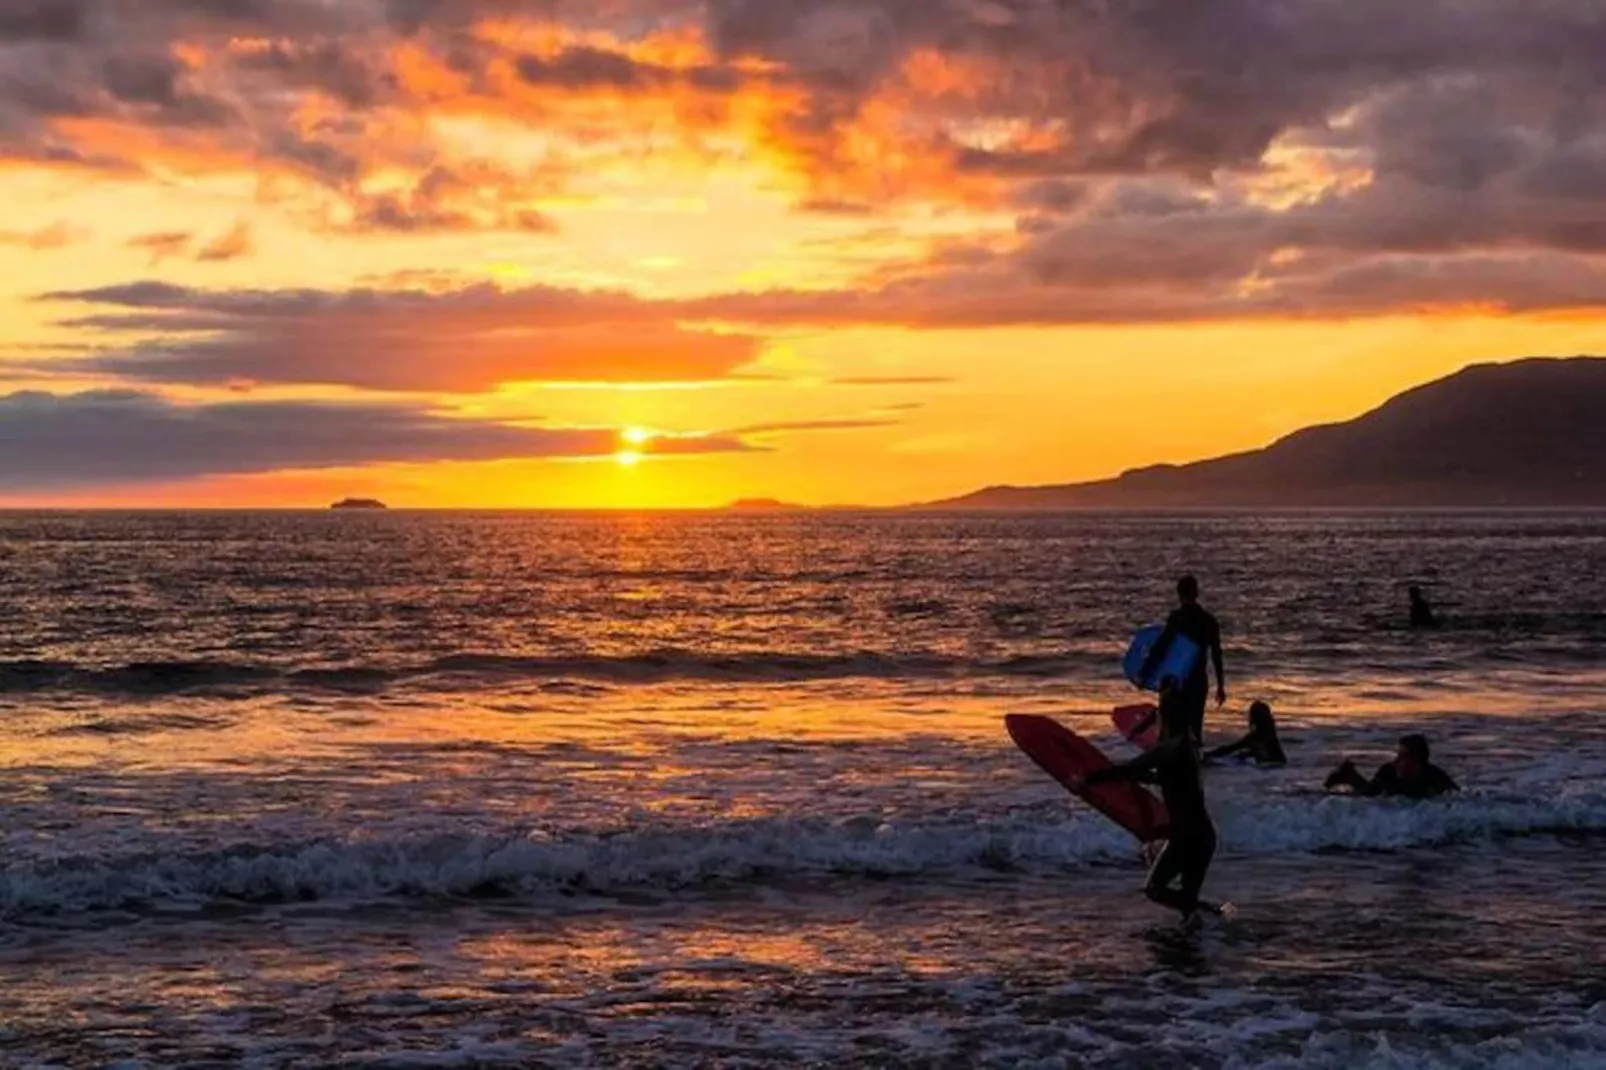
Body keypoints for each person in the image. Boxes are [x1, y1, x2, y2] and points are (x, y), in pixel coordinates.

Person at [1070, 680, 1218, 923]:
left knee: (1155, 890)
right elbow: (1171, 780)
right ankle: (1208, 931)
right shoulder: (1187, 746)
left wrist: (1087, 779)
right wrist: (1144, 778)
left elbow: (1127, 769)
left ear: (1165, 715)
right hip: (1202, 835)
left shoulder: (1169, 748)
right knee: (1187, 907)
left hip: (1186, 838)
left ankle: (1212, 917)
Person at [1139, 575, 1225, 742]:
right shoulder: (1209, 620)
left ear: (1179, 594)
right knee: (1195, 728)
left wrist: (1146, 672)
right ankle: (1194, 761)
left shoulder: (1177, 618)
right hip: (1198, 682)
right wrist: (1221, 686)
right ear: (1197, 593)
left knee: (1170, 728)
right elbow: (1216, 654)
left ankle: (1167, 761)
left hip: (1176, 682)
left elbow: (1161, 646)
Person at [1324, 733, 1459, 799]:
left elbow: (1456, 796)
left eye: (1403, 756)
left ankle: (1350, 775)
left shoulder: (1433, 776)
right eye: (1398, 755)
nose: (1397, 761)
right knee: (1368, 793)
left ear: (1416, 761)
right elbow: (1367, 795)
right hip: (1388, 791)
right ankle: (1349, 775)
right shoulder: (1389, 770)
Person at [1205, 700, 1287, 767]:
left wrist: (1210, 754)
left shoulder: (1255, 737)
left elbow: (1231, 748)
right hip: (1279, 764)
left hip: (1266, 768)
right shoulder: (1270, 735)